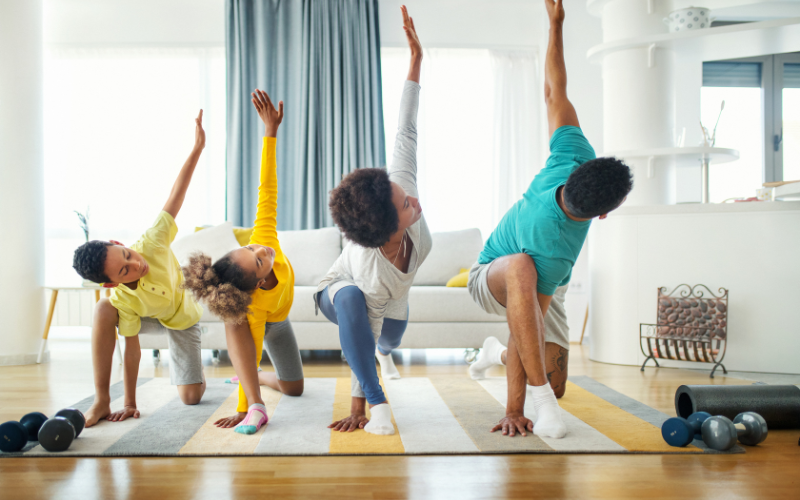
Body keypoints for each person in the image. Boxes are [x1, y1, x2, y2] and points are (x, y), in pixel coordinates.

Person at [466, 0, 633, 439]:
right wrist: (516, 408)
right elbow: (524, 320)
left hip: (543, 277)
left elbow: (554, 89)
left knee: (556, 380)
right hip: (493, 273)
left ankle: (493, 355)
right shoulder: (553, 243)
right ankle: (541, 403)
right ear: (603, 214)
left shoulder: (571, 153)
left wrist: (555, 24)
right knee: (523, 272)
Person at [315, 6, 429, 436]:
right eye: (405, 205)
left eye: (403, 193)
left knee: (389, 341)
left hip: (391, 303)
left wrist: (416, 59)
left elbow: (406, 130)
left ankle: (384, 358)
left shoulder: (399, 186)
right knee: (353, 304)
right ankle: (381, 403)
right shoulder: (369, 268)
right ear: (385, 228)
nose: (413, 199)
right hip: (339, 291)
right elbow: (358, 325)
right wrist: (361, 404)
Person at [73, 111, 208, 428]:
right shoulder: (122, 299)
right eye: (124, 271)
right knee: (103, 311)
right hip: (145, 314)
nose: (136, 264)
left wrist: (198, 148)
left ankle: (195, 376)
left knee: (191, 397)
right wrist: (130, 402)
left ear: (120, 242)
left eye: (127, 254)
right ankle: (102, 399)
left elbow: (177, 193)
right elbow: (131, 348)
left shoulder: (152, 241)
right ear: (111, 283)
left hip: (179, 316)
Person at [182, 89, 303, 435]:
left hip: (280, 322)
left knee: (294, 388)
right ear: (260, 283)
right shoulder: (252, 308)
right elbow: (245, 352)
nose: (263, 252)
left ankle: (265, 381)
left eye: (252, 250)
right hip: (263, 321)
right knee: (236, 330)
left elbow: (267, 190)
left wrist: (270, 133)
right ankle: (255, 400)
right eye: (259, 261)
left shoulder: (264, 239)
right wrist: (244, 407)